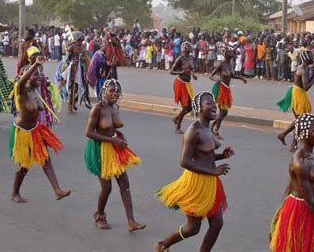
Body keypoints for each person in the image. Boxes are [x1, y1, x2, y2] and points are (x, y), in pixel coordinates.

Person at [155, 91, 234, 252]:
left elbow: (205, 156)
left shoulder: (207, 128)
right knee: (193, 229)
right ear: (199, 108)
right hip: (196, 183)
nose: (214, 106)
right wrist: (213, 172)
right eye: (209, 104)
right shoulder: (193, 131)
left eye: (214, 103)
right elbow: (184, 161)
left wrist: (221, 156)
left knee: (217, 223)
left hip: (211, 182)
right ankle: (162, 245)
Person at [269, 113, 314, 252]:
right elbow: (309, 203)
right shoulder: (300, 162)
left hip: (312, 208)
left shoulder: (309, 155)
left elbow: (289, 186)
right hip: (302, 211)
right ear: (303, 133)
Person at [84, 79, 145, 231]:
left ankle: (131, 222)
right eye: (111, 91)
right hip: (100, 150)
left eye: (117, 91)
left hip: (115, 147)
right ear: (104, 91)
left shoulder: (116, 107)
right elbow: (89, 132)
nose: (115, 94)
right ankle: (99, 215)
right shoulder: (97, 108)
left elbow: (112, 127)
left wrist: (119, 134)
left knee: (125, 184)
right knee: (107, 187)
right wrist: (111, 139)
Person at [9, 55, 71, 203]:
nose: (39, 77)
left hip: (35, 129)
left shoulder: (35, 92)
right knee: (24, 165)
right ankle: (15, 193)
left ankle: (57, 191)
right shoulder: (21, 91)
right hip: (22, 132)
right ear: (27, 76)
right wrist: (35, 65)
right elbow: (22, 80)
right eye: (35, 75)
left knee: (45, 159)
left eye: (40, 75)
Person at [276, 50, 314, 152]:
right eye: (311, 56)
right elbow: (306, 87)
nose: (313, 58)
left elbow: (305, 84)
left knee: (300, 121)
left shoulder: (304, 68)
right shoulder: (302, 69)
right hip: (299, 94)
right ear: (306, 58)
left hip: (299, 92)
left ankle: (285, 136)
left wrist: (313, 73)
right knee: (301, 121)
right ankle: (291, 143)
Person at [210, 46, 247, 139]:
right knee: (223, 112)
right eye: (229, 51)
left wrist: (241, 78)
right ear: (225, 54)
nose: (232, 52)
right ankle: (216, 131)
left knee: (224, 113)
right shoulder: (221, 64)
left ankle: (212, 127)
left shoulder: (230, 64)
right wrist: (216, 79)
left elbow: (233, 75)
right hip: (220, 89)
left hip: (226, 89)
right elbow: (211, 75)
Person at [170, 42, 197, 134]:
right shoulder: (180, 59)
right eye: (188, 47)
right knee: (185, 106)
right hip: (180, 84)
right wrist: (181, 71)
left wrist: (193, 74)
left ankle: (176, 118)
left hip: (187, 84)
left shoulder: (191, 57)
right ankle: (177, 127)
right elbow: (171, 71)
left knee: (191, 107)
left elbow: (191, 68)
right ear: (184, 48)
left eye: (190, 46)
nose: (190, 48)